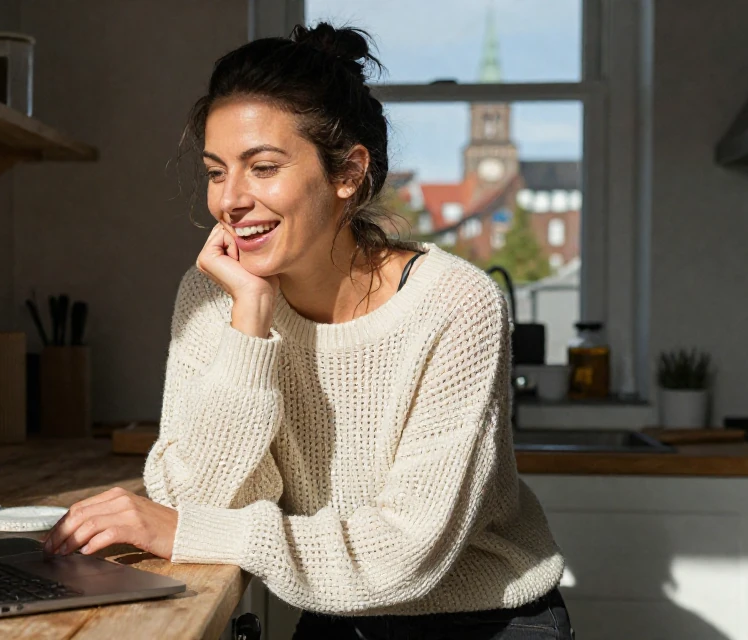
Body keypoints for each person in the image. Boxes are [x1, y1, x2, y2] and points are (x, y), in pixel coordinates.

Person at [45, 23, 573, 639]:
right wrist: (249, 322)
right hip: (336, 611)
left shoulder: (455, 304)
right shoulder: (214, 294)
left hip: (483, 620)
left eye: (263, 167)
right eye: (216, 172)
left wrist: (186, 528)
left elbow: (402, 555)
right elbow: (196, 500)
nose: (230, 200)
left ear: (347, 173)